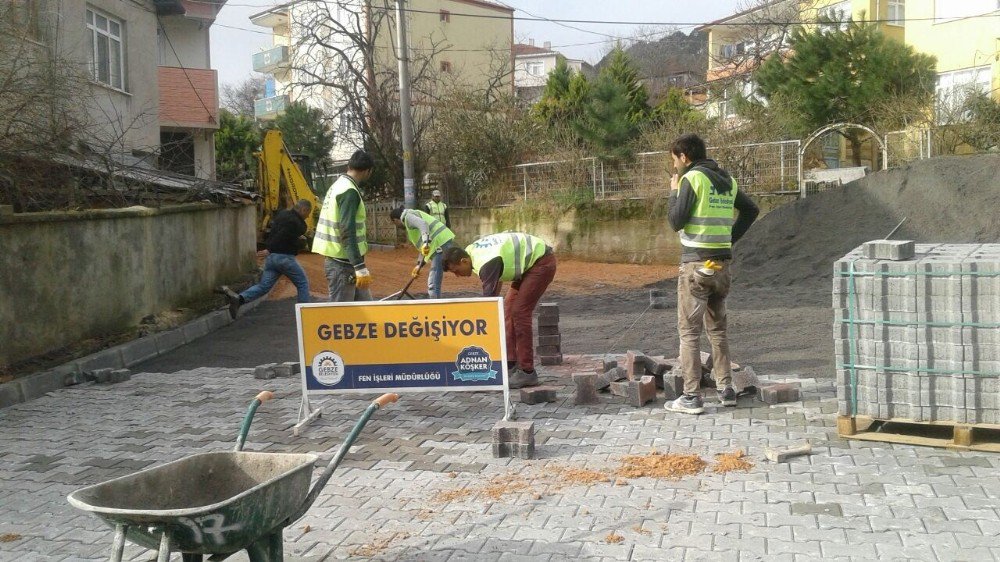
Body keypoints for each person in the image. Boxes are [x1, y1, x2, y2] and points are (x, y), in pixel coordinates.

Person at [666, 133, 759, 415]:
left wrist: (674, 190)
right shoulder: (727, 180)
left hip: (696, 265)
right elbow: (751, 210)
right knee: (717, 329)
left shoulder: (691, 180)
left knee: (689, 332)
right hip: (722, 266)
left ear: (684, 157)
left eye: (675, 161)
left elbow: (675, 220)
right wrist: (729, 239)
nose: (675, 167)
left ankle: (691, 396)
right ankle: (726, 389)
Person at [442, 233, 556, 388]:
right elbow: (496, 280)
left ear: (464, 261)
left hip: (541, 263)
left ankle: (527, 372)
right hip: (527, 267)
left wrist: (476, 332)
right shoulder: (471, 252)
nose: (457, 276)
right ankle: (511, 365)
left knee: (520, 312)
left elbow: (489, 303)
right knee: (508, 309)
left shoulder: (485, 261)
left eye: (456, 271)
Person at [221, 199, 313, 319]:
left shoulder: (282, 214)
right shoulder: (296, 222)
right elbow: (283, 235)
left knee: (263, 286)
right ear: (303, 209)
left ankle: (239, 299)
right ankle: (305, 315)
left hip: (271, 260)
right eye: (308, 212)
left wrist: (269, 250)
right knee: (302, 283)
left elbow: (274, 232)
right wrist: (270, 249)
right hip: (284, 258)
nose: (308, 216)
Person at [312, 150, 375, 302]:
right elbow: (347, 231)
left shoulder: (337, 186)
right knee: (341, 316)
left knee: (367, 310)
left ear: (349, 165)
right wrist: (359, 266)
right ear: (368, 171)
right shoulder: (349, 192)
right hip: (343, 264)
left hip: (344, 261)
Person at [389, 207, 456, 299]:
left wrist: (426, 242)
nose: (397, 226)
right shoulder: (412, 216)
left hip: (439, 244)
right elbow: (423, 249)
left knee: (433, 282)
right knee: (457, 265)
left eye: (395, 224)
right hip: (441, 242)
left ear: (395, 220)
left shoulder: (407, 217)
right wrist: (418, 265)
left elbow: (422, 224)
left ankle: (435, 306)